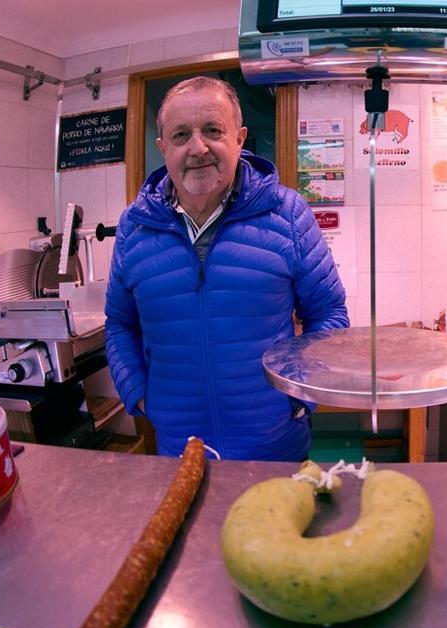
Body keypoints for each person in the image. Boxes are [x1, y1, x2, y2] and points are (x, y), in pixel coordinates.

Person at [105, 77, 349, 460]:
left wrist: (303, 394)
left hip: (276, 447)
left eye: (213, 130)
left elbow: (329, 313)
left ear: (239, 138)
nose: (197, 148)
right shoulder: (134, 229)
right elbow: (119, 323)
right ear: (163, 147)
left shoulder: (287, 214)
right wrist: (137, 391)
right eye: (181, 134)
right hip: (180, 453)